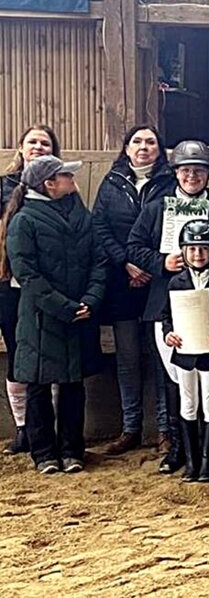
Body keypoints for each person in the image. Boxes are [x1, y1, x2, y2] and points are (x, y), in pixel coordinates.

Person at [126, 139, 209, 474]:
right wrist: (162, 261)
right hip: (168, 302)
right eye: (186, 170)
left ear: (208, 174)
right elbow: (133, 246)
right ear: (176, 172)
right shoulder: (156, 208)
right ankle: (179, 447)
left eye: (199, 170)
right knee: (177, 379)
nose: (192, 176)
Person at [2, 155, 106, 474]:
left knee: (74, 385)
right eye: (66, 176)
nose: (72, 181)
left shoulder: (80, 214)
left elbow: (97, 260)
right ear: (49, 184)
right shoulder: (24, 221)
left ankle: (73, 449)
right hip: (40, 317)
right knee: (38, 384)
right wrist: (64, 307)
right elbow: (27, 275)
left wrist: (90, 298)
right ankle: (44, 451)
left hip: (78, 312)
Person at [94, 125, 176, 458]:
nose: (144, 147)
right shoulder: (111, 183)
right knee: (128, 359)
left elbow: (174, 231)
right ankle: (130, 429)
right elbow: (100, 226)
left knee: (161, 359)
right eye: (137, 141)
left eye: (151, 142)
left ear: (160, 150)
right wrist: (126, 262)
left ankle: (165, 430)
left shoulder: (171, 184)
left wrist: (152, 265)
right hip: (122, 281)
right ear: (126, 148)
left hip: (159, 284)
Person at [0, 125, 60, 456]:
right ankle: (24, 428)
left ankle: (44, 428)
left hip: (49, 286)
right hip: (9, 283)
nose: (38, 146)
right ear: (21, 148)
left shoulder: (62, 189)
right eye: (32, 142)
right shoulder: (4, 187)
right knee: (18, 355)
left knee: (49, 356)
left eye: (45, 143)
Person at [160, 219, 209, 483]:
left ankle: (208, 463)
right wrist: (168, 334)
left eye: (204, 249)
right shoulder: (176, 282)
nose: (198, 255)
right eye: (192, 249)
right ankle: (191, 461)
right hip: (185, 354)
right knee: (187, 405)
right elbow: (166, 315)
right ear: (183, 251)